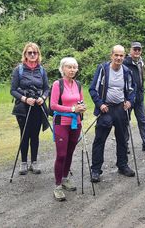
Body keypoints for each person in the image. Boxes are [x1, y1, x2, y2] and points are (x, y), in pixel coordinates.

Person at [89, 44, 136, 182]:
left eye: (121, 55)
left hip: (121, 109)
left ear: (124, 56)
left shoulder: (127, 71)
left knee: (122, 139)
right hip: (106, 109)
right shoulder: (103, 69)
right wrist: (100, 104)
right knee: (99, 140)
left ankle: (122, 165)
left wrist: (130, 102)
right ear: (111, 55)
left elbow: (133, 90)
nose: (119, 58)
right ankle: (96, 170)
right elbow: (93, 89)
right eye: (116, 55)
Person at [11, 42, 50, 176]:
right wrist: (25, 99)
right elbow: (13, 90)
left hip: (38, 107)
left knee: (35, 135)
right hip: (23, 107)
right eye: (29, 53)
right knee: (24, 134)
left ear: (38, 54)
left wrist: (43, 98)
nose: (32, 55)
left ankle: (34, 162)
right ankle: (23, 163)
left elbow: (46, 88)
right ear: (25, 55)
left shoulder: (42, 70)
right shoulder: (19, 70)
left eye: (35, 52)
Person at [50, 57, 86, 201]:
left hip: (75, 122)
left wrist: (82, 107)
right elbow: (53, 105)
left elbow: (80, 101)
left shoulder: (78, 84)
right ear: (62, 69)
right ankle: (58, 185)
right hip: (61, 122)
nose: (72, 70)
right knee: (61, 154)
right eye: (69, 67)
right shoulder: (57, 84)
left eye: (74, 67)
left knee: (70, 152)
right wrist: (72, 108)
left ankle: (65, 178)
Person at [123, 41, 145, 153]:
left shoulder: (141, 62)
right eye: (135, 49)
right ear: (130, 50)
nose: (137, 51)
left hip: (139, 96)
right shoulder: (124, 63)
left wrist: (142, 90)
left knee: (142, 120)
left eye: (139, 49)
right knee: (125, 121)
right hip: (127, 97)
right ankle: (124, 144)